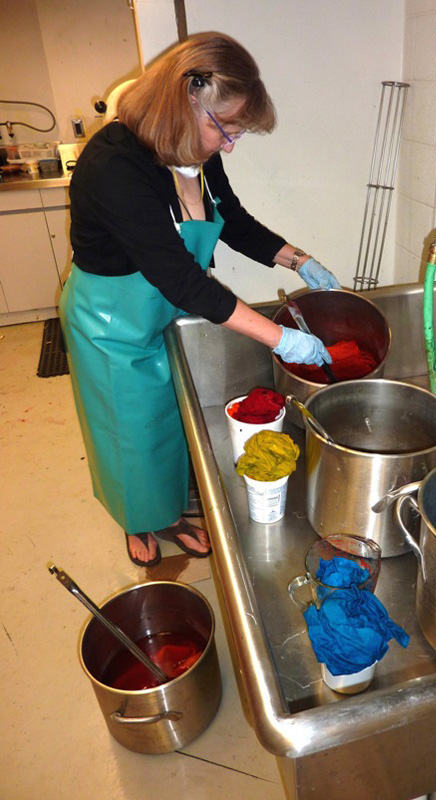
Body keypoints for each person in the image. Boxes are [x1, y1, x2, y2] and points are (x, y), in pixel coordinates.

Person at [59, 32, 341, 567]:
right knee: (128, 429)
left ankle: (167, 510)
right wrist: (282, 339)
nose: (229, 143)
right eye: (225, 127)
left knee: (169, 421)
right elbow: (180, 276)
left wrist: (297, 258)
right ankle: (137, 520)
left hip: (162, 307)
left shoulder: (192, 152)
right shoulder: (114, 166)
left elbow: (231, 220)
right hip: (110, 322)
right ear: (186, 99)